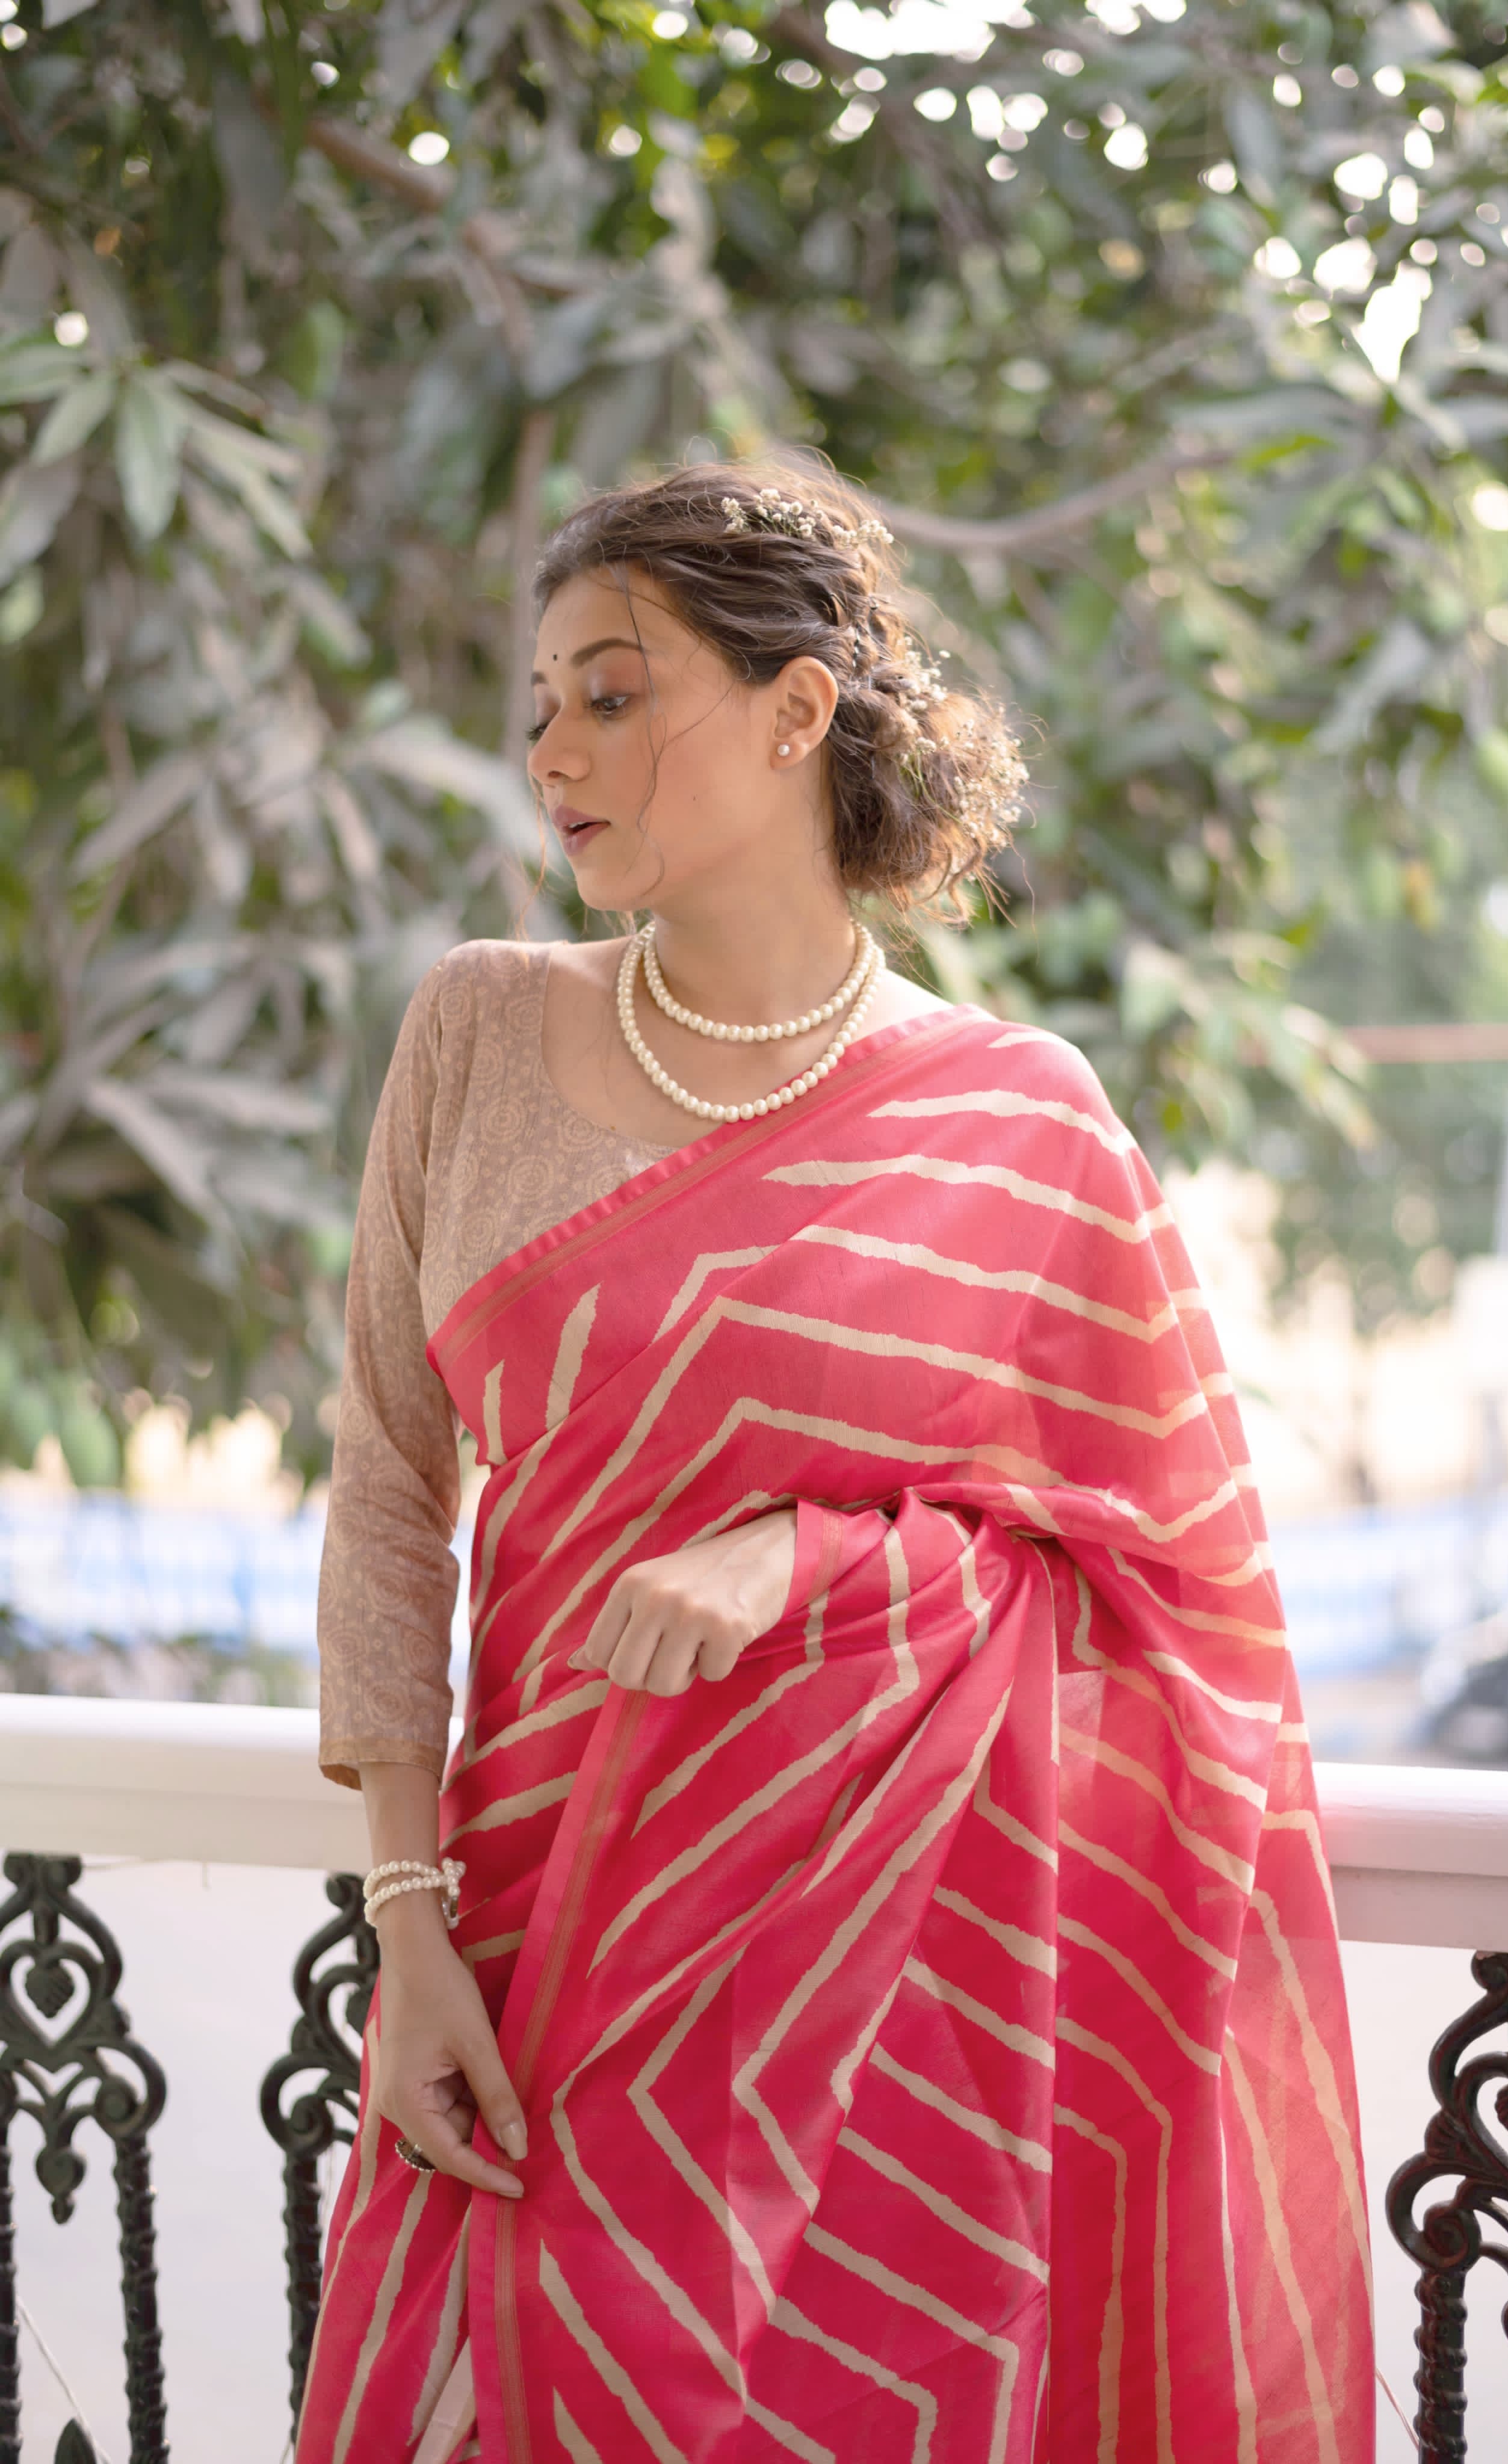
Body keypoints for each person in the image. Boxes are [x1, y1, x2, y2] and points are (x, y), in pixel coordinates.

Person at [298, 465, 1373, 2464]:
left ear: (799, 713)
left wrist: (822, 1558)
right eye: (538, 704)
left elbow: (1167, 1598)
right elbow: (385, 1488)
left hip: (866, 2040)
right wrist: (408, 1922)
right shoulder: (471, 1033)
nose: (556, 750)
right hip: (524, 1980)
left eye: (615, 693)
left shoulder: (1019, 1125)